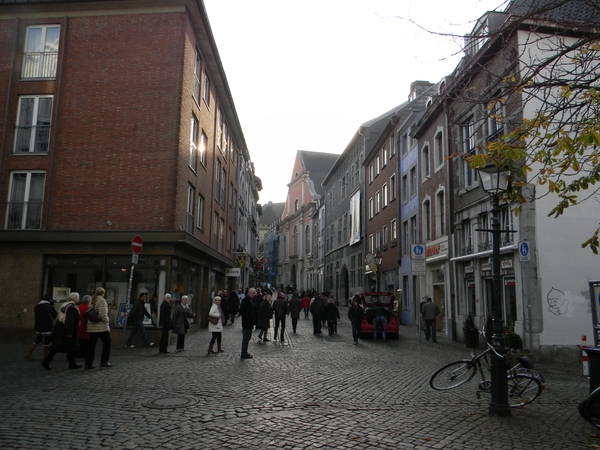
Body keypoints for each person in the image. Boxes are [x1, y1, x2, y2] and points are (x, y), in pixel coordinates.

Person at [42, 292, 81, 370]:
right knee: (64, 347)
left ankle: (72, 363)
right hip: (66, 331)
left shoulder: (65, 305)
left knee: (64, 347)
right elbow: (70, 320)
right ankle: (46, 362)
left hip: (61, 329)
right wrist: (70, 332)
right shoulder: (72, 307)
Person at [85, 287, 113, 369]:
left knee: (91, 345)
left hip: (92, 327)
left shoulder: (93, 300)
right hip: (100, 327)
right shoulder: (102, 300)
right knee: (107, 342)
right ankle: (104, 361)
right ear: (103, 293)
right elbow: (103, 314)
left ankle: (88, 363)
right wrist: (107, 322)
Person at [25, 294, 57, 361]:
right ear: (49, 300)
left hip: (38, 326)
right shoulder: (49, 307)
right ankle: (46, 356)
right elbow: (54, 315)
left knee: (38, 339)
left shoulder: (37, 306)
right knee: (46, 341)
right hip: (47, 326)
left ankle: (29, 353)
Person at [239, 287, 257, 359]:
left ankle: (245, 352)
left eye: (253, 293)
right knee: (246, 338)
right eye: (251, 293)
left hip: (250, 323)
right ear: (248, 293)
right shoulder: (245, 300)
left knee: (248, 338)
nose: (252, 294)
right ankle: (244, 353)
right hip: (246, 323)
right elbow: (242, 311)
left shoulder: (252, 300)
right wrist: (248, 318)